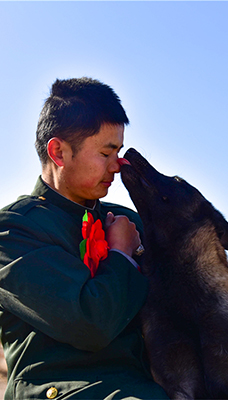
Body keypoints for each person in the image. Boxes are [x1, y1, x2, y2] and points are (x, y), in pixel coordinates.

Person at [0, 78, 169, 400]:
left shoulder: (131, 221)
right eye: (106, 153)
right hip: (63, 389)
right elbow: (90, 325)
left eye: (118, 152)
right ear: (59, 151)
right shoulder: (13, 230)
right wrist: (121, 254)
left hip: (146, 384)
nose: (118, 165)